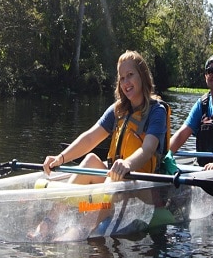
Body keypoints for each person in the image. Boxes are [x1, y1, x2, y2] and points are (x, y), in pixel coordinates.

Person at [43, 50, 168, 183]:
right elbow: (90, 138)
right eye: (122, 78)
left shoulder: (157, 111)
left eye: (130, 75)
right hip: (116, 179)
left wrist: (127, 164)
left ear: (142, 76)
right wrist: (61, 158)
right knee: (91, 159)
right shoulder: (118, 110)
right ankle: (63, 203)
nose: (126, 82)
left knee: (114, 178)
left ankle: (71, 201)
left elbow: (147, 149)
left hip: (142, 185)